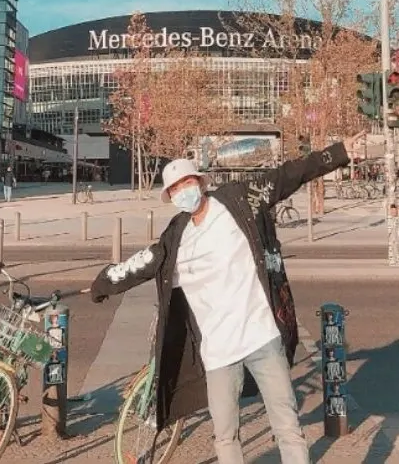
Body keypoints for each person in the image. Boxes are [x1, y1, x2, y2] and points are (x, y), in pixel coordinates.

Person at [91, 132, 364, 464]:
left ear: (201, 182)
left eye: (186, 183)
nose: (182, 192)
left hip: (261, 336)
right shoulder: (176, 235)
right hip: (218, 353)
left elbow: (288, 176)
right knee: (225, 436)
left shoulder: (238, 201)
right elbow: (143, 264)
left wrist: (337, 153)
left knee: (287, 425)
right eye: (175, 189)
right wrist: (103, 283)